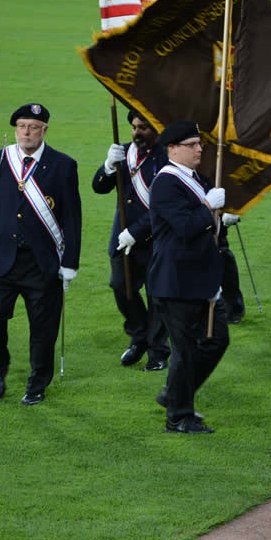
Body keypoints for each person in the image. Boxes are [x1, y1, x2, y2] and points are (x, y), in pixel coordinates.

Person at [0, 103, 82, 406]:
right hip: (2, 259)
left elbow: (72, 217)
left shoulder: (63, 165)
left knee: (43, 330)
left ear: (44, 130)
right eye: (21, 126)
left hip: (42, 263)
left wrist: (70, 262)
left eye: (33, 127)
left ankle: (37, 384)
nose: (26, 133)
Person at [147, 121, 229, 434]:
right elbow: (184, 226)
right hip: (176, 281)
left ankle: (174, 393)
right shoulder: (166, 183)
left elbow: (208, 223)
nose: (199, 149)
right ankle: (178, 417)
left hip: (202, 277)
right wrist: (208, 206)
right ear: (172, 149)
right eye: (192, 144)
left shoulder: (198, 179)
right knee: (185, 350)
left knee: (216, 340)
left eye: (199, 143)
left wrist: (225, 216)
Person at [91, 110, 170, 371]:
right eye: (134, 127)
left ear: (157, 129)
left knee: (158, 295)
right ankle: (139, 337)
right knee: (121, 287)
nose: (137, 132)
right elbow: (99, 187)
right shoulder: (123, 152)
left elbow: (164, 206)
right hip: (123, 237)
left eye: (144, 127)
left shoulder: (169, 157)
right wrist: (107, 166)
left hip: (156, 237)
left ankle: (158, 350)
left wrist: (137, 232)